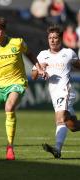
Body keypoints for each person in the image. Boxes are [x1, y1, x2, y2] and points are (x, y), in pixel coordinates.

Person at [0, 15, 45, 160]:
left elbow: (30, 53)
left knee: (9, 107)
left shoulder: (17, 42)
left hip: (16, 83)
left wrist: (38, 66)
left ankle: (10, 147)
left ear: (4, 30)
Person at [31, 25, 80, 158]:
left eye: (55, 38)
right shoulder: (42, 55)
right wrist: (39, 69)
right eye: (50, 38)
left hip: (66, 90)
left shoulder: (69, 53)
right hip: (54, 93)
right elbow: (34, 76)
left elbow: (78, 65)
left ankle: (57, 149)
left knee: (60, 119)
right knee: (73, 126)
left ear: (61, 39)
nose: (52, 40)